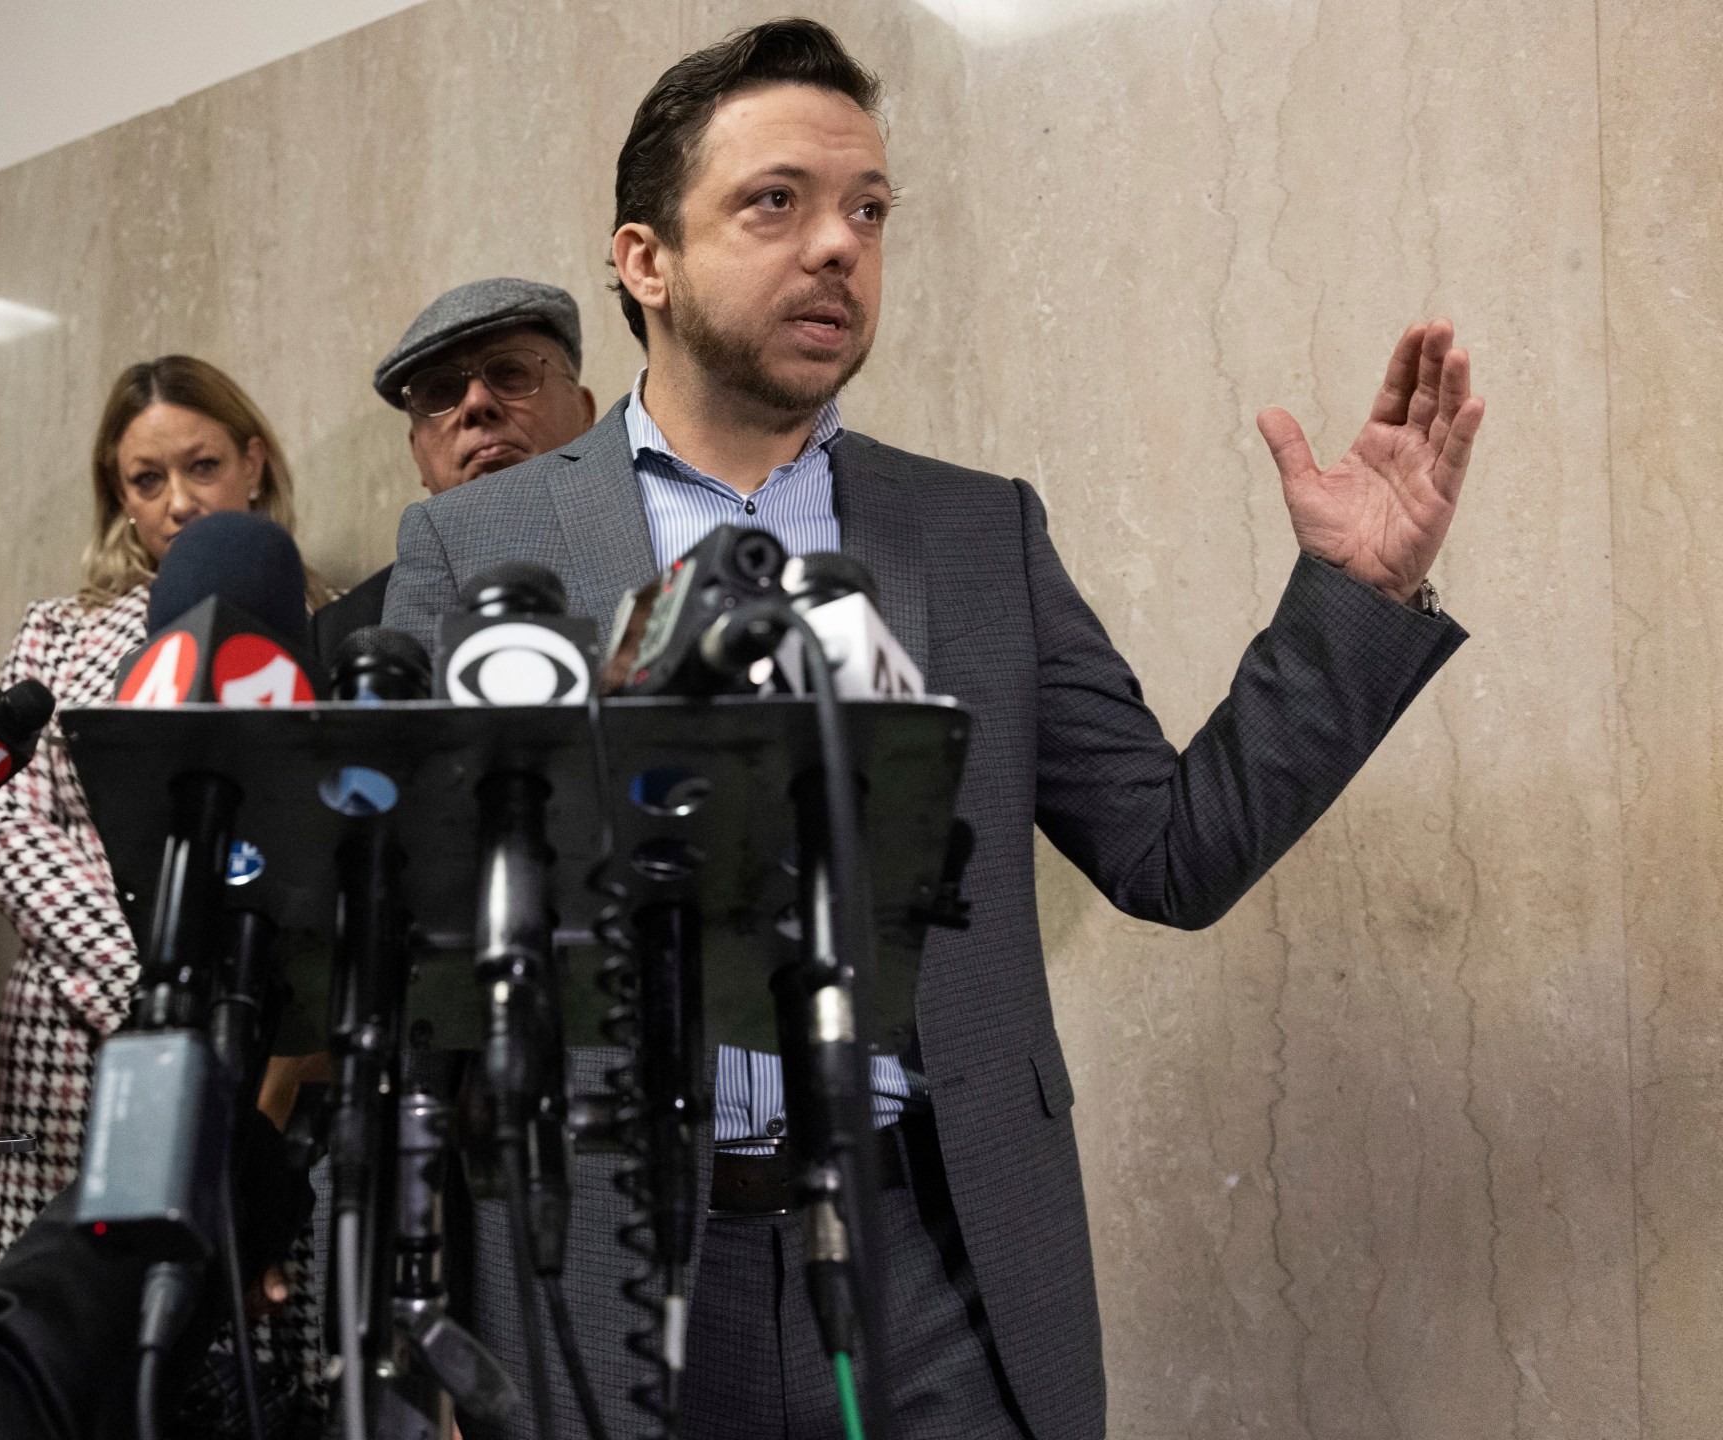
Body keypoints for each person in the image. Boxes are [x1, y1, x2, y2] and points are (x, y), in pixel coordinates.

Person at [383, 19, 1484, 1440]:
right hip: (616, 1255)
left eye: (869, 211)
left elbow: (1173, 852)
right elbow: (398, 968)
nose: (838, 245)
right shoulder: (475, 546)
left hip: (939, 1254)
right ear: (644, 259)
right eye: (776, 202)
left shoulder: (977, 533)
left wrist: (1359, 594)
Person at [0, 356, 327, 1431]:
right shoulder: (57, 634)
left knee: (230, 1371)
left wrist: (238, 1025)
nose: (178, 501)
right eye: (145, 479)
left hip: (260, 1068)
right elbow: (9, 824)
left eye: (203, 465)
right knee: (55, 1373)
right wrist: (158, 990)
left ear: (254, 462)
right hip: (73, 1055)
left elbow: (314, 850)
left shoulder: (323, 627)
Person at [311, 279, 599, 655]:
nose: (477, 402)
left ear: (586, 414)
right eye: (440, 391)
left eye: (511, 373)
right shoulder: (342, 634)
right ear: (418, 456)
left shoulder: (661, 562)